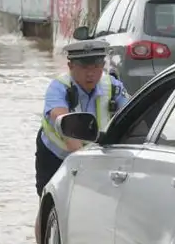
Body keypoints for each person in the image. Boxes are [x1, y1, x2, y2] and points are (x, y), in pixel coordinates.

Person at [35, 39, 130, 197]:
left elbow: (131, 117)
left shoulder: (113, 86)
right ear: (71, 66)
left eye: (96, 67)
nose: (91, 74)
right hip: (56, 154)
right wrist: (88, 166)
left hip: (97, 154)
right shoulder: (58, 87)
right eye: (84, 68)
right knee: (49, 201)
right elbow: (67, 127)